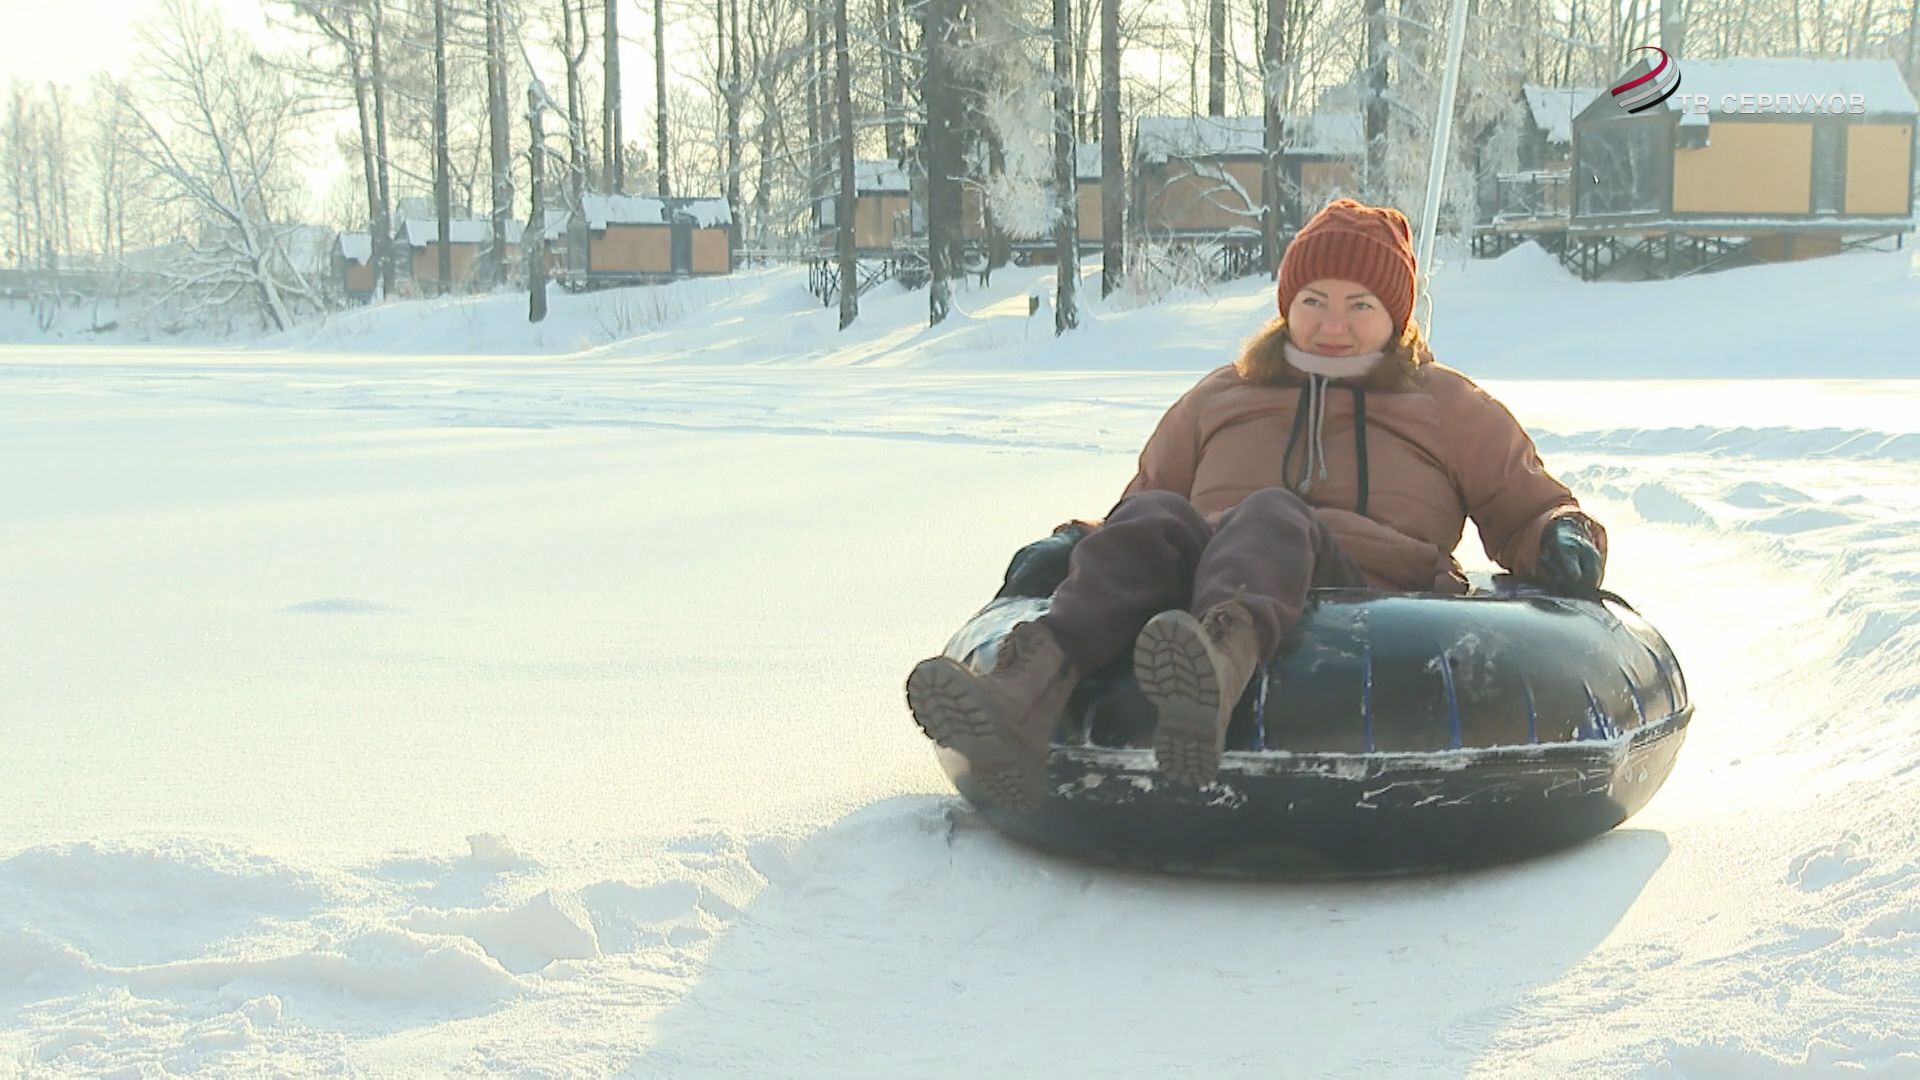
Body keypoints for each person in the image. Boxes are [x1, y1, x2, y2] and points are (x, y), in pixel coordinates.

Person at [905, 198, 1607, 810]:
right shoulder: (1222, 394)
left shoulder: (1445, 403)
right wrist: (1074, 543)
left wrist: (1559, 536)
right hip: (1215, 570)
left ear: (1394, 316)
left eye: (1360, 305)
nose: (1334, 324)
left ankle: (1212, 676)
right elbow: (1145, 504)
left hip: (1371, 592)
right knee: (1156, 520)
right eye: (1314, 302)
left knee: (1272, 511)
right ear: (1286, 306)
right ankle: (1019, 697)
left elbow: (1524, 504)